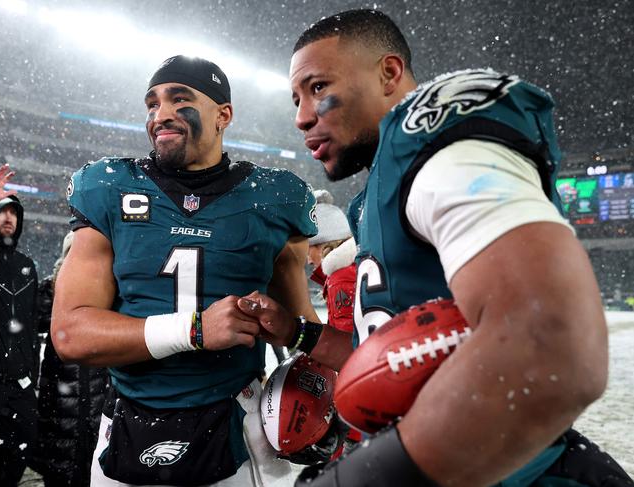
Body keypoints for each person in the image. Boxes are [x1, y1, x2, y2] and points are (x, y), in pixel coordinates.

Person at [236, 9, 634, 487]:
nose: (301, 117)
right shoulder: (373, 198)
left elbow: (553, 345)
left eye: (319, 88)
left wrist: (364, 476)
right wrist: (296, 332)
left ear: (389, 73)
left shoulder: (432, 141)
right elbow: (385, 355)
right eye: (296, 98)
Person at [51, 55, 320, 487]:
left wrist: (316, 392)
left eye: (180, 99)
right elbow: (69, 334)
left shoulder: (275, 198)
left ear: (223, 115)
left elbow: (300, 331)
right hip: (127, 421)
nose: (161, 115)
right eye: (152, 103)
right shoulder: (108, 186)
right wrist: (194, 330)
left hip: (239, 419)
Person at [30, 231, 109, 487]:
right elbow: (28, 320)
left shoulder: (107, 295)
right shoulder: (50, 296)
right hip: (59, 411)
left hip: (95, 409)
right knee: (61, 470)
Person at [0, 164, 40, 487]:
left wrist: (29, 374)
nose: (8, 218)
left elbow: (32, 323)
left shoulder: (26, 266)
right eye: (0, 212)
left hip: (19, 387)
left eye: (14, 213)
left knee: (14, 467)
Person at [306, 189, 357, 335]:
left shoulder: (341, 279)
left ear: (323, 245)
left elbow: (345, 345)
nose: (308, 260)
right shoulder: (354, 268)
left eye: (308, 250)